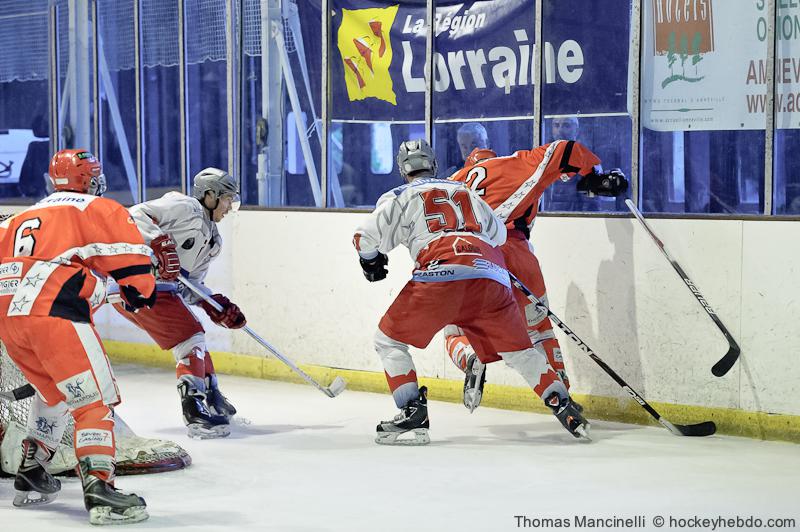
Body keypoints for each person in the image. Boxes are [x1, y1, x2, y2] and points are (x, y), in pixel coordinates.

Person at [352, 139, 589, 446]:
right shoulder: (464, 191)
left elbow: (364, 237)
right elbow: (498, 234)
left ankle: (412, 413)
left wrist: (371, 262)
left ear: (402, 169)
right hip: (491, 277)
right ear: (434, 165)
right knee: (519, 351)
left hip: (440, 275)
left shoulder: (400, 195)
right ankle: (562, 404)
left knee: (388, 340)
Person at [0, 148, 156, 524]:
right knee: (93, 402)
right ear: (89, 179)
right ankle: (100, 489)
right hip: (55, 311)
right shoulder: (95, 208)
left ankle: (32, 470)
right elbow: (135, 275)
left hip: (8, 317)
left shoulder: (19, 217)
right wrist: (143, 287)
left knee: (54, 393)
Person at [446, 141, 628, 411]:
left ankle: (470, 355)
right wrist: (594, 175)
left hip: (466, 256)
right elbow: (564, 149)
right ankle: (562, 395)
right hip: (516, 253)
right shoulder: (511, 164)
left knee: (454, 331)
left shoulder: (452, 183)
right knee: (540, 331)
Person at [111, 168, 245, 439]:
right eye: (227, 199)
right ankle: (195, 410)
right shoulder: (185, 207)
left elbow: (188, 285)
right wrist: (159, 243)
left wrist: (213, 303)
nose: (230, 206)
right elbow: (135, 214)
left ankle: (212, 396)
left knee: (195, 339)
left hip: (158, 290)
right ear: (210, 195)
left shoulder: (213, 241)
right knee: (191, 337)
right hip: (138, 284)